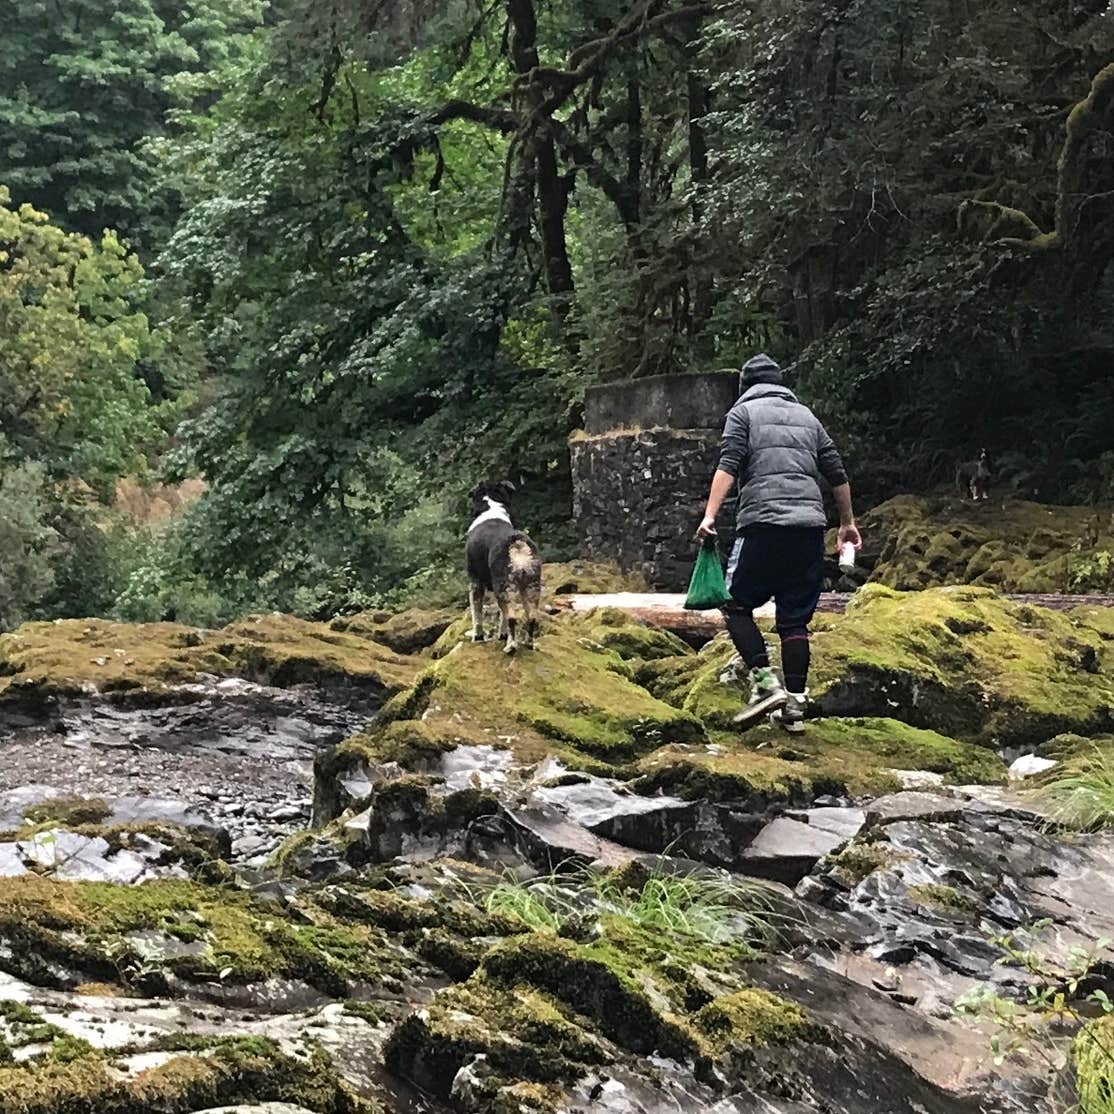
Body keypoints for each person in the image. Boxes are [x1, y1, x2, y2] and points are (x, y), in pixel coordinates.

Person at [697, 354, 861, 732]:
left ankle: (765, 683)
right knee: (794, 619)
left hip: (763, 525)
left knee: (734, 604)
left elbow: (729, 463)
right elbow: (837, 473)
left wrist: (709, 515)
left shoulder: (743, 414)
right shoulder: (808, 418)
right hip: (808, 530)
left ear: (745, 386)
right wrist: (847, 524)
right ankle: (797, 705)